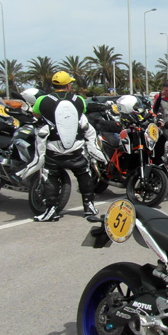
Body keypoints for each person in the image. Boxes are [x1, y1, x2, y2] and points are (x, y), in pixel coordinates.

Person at [26, 71, 106, 222]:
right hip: (76, 147)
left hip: (53, 148)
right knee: (84, 174)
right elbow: (82, 113)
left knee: (50, 177)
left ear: (54, 85)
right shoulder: (79, 100)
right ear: (68, 85)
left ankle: (51, 210)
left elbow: (36, 115)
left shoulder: (42, 100)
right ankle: (89, 207)